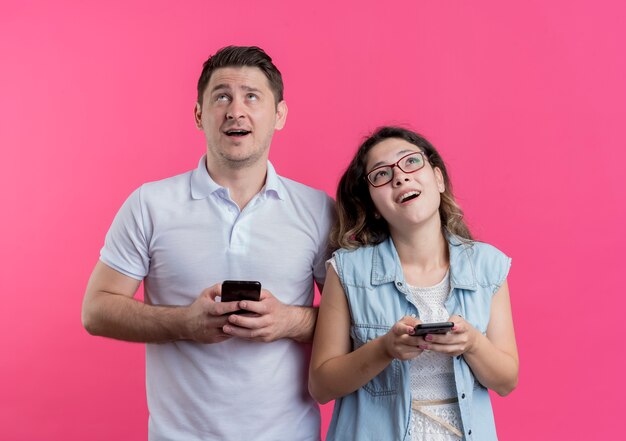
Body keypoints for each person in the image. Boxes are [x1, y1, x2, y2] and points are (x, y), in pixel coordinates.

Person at [82, 46, 334, 441]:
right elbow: (95, 310)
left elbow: (358, 318)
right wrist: (185, 323)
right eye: (221, 97)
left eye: (252, 96)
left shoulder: (318, 210)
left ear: (279, 114)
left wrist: (289, 321)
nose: (236, 110)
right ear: (199, 114)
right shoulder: (150, 204)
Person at [309, 126, 518, 440]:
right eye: (381, 174)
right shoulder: (346, 271)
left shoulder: (488, 266)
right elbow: (321, 386)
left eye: (410, 162)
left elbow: (506, 381)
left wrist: (473, 344)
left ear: (438, 178)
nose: (400, 177)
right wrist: (385, 349)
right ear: (372, 205)